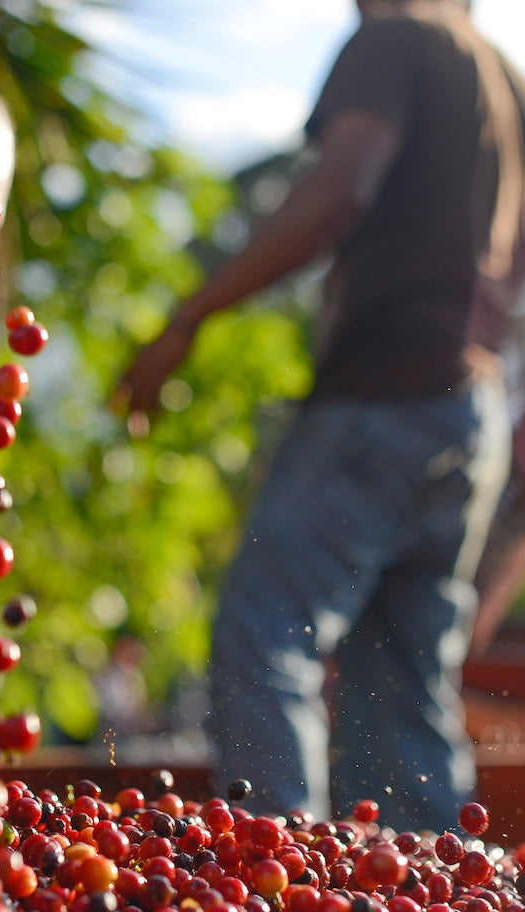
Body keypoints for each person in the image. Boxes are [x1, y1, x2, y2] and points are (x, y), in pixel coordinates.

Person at [115, 0, 525, 832]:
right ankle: (427, 898)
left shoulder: (396, 39)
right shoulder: (504, 79)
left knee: (265, 635)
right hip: (468, 411)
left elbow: (341, 189)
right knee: (403, 681)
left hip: (385, 395)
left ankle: (279, 884)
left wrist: (190, 317)